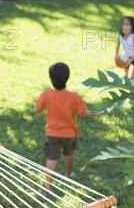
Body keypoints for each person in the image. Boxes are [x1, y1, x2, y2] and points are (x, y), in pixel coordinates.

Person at [34, 62, 98, 191]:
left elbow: (37, 110)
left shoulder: (46, 94)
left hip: (52, 134)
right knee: (69, 154)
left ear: (51, 79)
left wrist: (36, 105)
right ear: (67, 77)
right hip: (70, 134)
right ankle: (68, 175)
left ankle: (47, 187)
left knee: (51, 159)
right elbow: (83, 115)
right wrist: (96, 113)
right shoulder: (74, 97)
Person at [115, 17, 134, 81]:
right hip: (126, 57)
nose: (124, 26)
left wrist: (130, 60)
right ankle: (130, 89)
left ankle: (133, 89)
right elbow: (117, 47)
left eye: (127, 24)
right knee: (127, 77)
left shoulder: (133, 37)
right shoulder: (120, 36)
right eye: (123, 24)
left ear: (132, 27)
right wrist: (117, 56)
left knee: (131, 76)